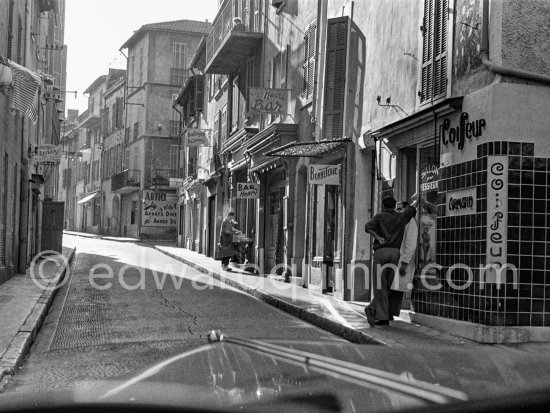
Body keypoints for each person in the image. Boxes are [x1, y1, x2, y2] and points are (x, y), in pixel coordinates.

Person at [364, 196, 416, 327]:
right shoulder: (401, 217)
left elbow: (367, 227)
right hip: (395, 253)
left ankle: (381, 316)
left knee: (380, 285)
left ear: (383, 205)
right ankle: (375, 310)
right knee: (389, 285)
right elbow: (412, 210)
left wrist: (378, 237)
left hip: (381, 252)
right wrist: (415, 200)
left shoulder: (380, 216)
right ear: (394, 206)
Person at [389, 200, 419, 319]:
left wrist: (404, 263)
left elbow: (410, 244)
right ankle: (388, 313)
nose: (397, 211)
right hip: (394, 260)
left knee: (396, 289)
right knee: (392, 288)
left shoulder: (410, 222)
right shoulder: (398, 221)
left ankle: (390, 313)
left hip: (402, 262)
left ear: (406, 209)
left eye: (400, 209)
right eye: (396, 208)